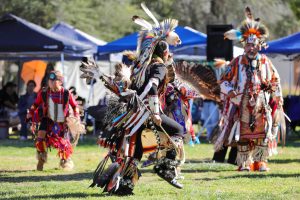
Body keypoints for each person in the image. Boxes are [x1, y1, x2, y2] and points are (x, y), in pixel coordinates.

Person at [80, 4, 183, 195]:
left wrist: (100, 76)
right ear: (165, 53)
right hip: (145, 113)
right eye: (169, 52)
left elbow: (125, 89)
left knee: (135, 151)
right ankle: (164, 168)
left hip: (131, 115)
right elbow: (152, 87)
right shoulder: (159, 67)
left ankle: (123, 187)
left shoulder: (140, 68)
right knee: (177, 130)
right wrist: (155, 113)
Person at [215, 7, 283, 172]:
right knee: (243, 134)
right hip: (243, 103)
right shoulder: (237, 62)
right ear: (244, 46)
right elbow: (223, 80)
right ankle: (244, 163)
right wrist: (231, 92)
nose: (251, 48)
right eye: (248, 45)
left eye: (254, 45)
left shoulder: (266, 61)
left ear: (259, 46)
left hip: (261, 103)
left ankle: (260, 162)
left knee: (262, 133)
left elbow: (275, 79)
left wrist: (277, 96)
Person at [27, 70, 80, 171]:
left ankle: (65, 161)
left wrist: (76, 115)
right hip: (47, 119)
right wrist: (31, 112)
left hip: (61, 121)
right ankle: (41, 159)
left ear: (60, 81)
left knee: (63, 142)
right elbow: (36, 104)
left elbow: (75, 106)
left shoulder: (65, 93)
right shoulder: (44, 92)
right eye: (49, 80)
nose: (50, 83)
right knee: (40, 135)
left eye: (54, 80)